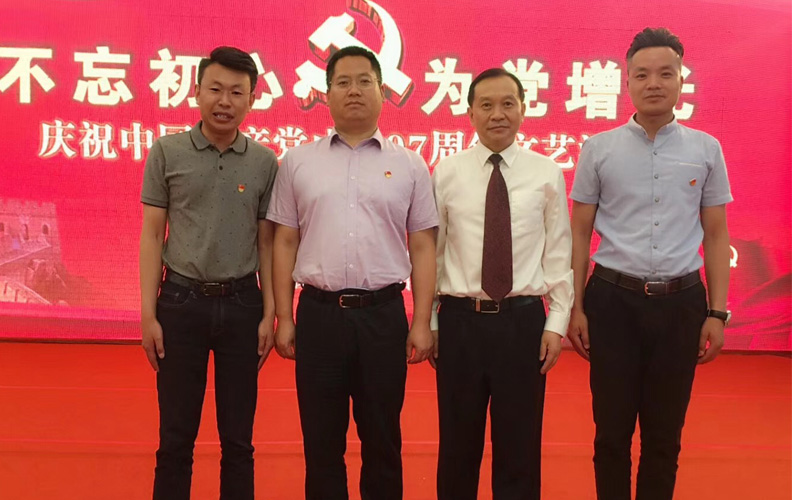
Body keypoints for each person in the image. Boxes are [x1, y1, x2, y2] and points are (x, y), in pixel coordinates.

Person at [567, 27, 733, 500]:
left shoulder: (706, 149)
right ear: (627, 82)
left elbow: (716, 235)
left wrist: (717, 313)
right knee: (610, 434)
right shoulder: (598, 149)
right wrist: (575, 308)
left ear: (682, 79)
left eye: (665, 73)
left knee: (664, 437)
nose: (653, 83)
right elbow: (578, 232)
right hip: (612, 302)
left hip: (681, 305)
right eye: (642, 74)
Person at [267, 46, 438, 500]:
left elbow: (423, 245)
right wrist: (285, 316)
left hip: (383, 316)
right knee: (321, 441)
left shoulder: (410, 164)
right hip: (318, 314)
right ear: (327, 94)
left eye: (365, 81)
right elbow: (284, 241)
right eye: (343, 82)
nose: (354, 90)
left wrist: (423, 320)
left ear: (383, 91)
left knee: (382, 438)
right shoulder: (298, 161)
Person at [139, 46, 278, 500]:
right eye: (215, 89)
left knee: (238, 441)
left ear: (252, 99)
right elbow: (152, 235)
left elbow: (266, 243)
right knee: (175, 439)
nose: (225, 101)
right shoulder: (167, 152)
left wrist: (270, 313)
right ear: (196, 92)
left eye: (237, 92)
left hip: (243, 305)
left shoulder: (264, 162)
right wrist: (148, 314)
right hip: (180, 304)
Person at [431, 67, 573, 500]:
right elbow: (433, 252)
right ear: (470, 113)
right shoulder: (446, 172)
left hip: (522, 323)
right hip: (460, 322)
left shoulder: (546, 172)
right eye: (487, 105)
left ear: (524, 110)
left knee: (519, 448)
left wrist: (556, 322)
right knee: (457, 446)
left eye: (508, 103)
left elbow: (558, 252)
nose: (498, 114)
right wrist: (430, 321)